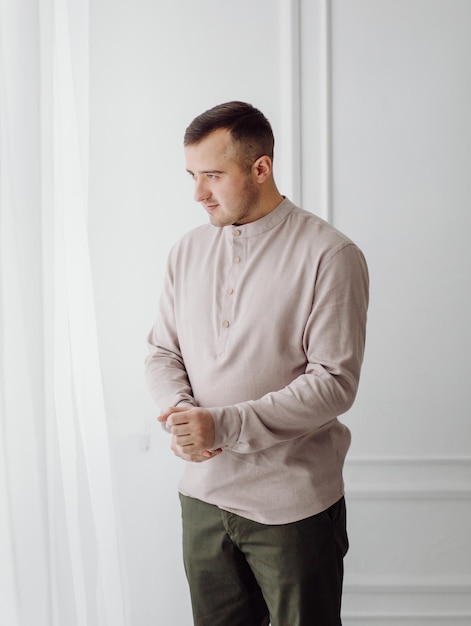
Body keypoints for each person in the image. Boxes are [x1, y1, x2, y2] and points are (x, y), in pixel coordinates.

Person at [145, 101, 369, 626]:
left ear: (261, 168)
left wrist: (220, 424)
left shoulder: (330, 255)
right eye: (192, 175)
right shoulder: (186, 251)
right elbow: (162, 350)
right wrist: (180, 411)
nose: (198, 193)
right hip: (202, 499)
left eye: (213, 176)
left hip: (292, 506)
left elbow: (334, 383)